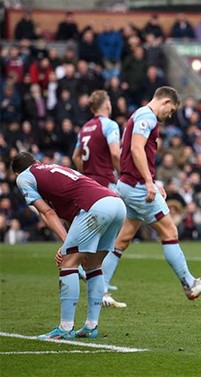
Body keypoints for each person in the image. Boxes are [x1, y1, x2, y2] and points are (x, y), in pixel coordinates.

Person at [103, 86, 201, 305]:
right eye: (172, 110)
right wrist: (148, 182)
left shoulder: (140, 115)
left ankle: (99, 289)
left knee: (124, 238)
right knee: (169, 230)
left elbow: (131, 153)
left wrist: (153, 182)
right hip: (137, 186)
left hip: (129, 184)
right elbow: (137, 149)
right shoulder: (147, 116)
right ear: (166, 102)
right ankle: (189, 283)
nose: (171, 115)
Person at [11, 151, 126, 339]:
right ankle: (90, 326)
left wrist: (66, 245)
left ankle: (65, 328)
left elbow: (47, 212)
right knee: (93, 266)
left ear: (16, 173)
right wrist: (69, 242)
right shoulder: (51, 169)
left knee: (68, 263)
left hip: (94, 206)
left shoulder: (24, 177)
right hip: (115, 204)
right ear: (37, 162)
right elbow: (69, 214)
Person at [71, 90, 123, 306]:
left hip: (88, 186)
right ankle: (94, 280)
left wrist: (87, 174)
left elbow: (75, 157)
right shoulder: (109, 125)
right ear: (107, 105)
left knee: (93, 235)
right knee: (109, 238)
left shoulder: (84, 129)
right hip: (106, 186)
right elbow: (114, 154)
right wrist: (123, 174)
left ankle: (95, 281)